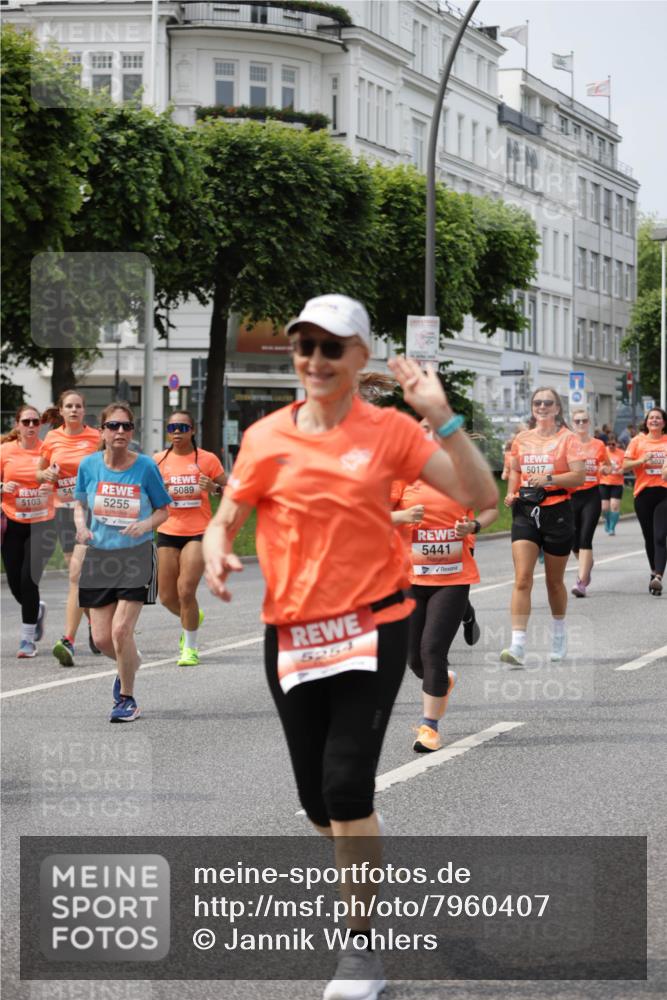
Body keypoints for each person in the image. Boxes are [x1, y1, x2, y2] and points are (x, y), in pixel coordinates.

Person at [203, 294, 498, 1000]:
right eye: (304, 347)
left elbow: (480, 494)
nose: (314, 361)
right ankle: (357, 824)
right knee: (317, 803)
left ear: (361, 358)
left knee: (342, 787)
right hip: (293, 632)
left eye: (331, 348)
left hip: (372, 625)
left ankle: (359, 950)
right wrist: (216, 549)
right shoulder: (268, 435)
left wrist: (439, 414)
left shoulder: (392, 431)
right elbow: (227, 516)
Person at [391, 420, 497, 753]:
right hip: (409, 577)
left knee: (433, 650)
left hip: (453, 577)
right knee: (413, 659)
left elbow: (492, 506)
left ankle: (429, 728)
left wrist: (474, 525)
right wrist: (402, 516)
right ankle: (443, 681)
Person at [74, 403, 171, 721]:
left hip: (136, 555)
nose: (120, 432)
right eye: (113, 426)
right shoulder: (88, 466)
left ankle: (126, 699)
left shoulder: (144, 467)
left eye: (126, 427)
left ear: (132, 431)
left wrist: (145, 525)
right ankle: (131, 659)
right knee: (101, 638)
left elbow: (163, 510)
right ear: (101, 430)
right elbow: (79, 504)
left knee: (120, 631)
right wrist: (81, 526)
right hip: (100, 556)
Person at [500, 387, 585, 666]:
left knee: (553, 581)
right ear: (533, 407)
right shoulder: (521, 439)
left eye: (548, 402)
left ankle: (559, 633)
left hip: (557, 511)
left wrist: (549, 478)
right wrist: (512, 491)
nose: (542, 406)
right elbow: (514, 469)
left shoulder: (568, 439)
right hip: (525, 511)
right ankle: (518, 645)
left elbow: (578, 477)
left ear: (557, 408)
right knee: (523, 577)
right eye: (538, 402)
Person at [154, 410, 226, 665]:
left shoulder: (207, 459)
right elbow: (146, 495)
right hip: (167, 531)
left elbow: (233, 490)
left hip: (198, 532)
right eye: (172, 427)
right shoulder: (158, 461)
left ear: (192, 431)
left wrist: (215, 488)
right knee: (167, 597)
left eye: (182, 428)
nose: (176, 432)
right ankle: (193, 617)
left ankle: (190, 647)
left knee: (186, 590)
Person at [37, 390, 101, 666]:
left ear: (84, 411)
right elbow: (39, 472)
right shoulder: (52, 438)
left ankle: (68, 640)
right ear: (61, 411)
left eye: (78, 406)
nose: (73, 410)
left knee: (77, 576)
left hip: (91, 511)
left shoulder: (97, 437)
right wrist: (47, 475)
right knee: (77, 578)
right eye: (69, 406)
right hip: (63, 512)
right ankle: (95, 624)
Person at [0, 405, 55, 657]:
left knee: (28, 578)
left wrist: (49, 489)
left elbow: (60, 483)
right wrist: (2, 487)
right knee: (14, 583)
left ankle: (27, 641)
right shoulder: (5, 451)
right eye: (26, 421)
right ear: (18, 423)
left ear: (40, 425)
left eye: (35, 422)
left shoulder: (48, 450)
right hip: (12, 523)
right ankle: (36, 610)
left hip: (42, 523)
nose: (31, 426)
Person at [623, 407, 667, 595]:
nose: (654, 421)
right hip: (643, 495)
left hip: (664, 494)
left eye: (658, 418)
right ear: (646, 422)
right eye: (651, 418)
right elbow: (624, 466)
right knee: (649, 537)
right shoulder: (637, 441)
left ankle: (658, 576)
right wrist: (641, 460)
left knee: (659, 536)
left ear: (664, 422)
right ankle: (653, 572)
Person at [569, 409, 611, 598]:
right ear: (572, 423)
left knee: (586, 537)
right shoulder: (567, 444)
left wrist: (604, 468)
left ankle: (581, 581)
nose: (580, 424)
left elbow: (607, 465)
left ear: (589, 422)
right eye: (577, 421)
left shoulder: (598, 444)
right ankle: (587, 564)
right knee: (574, 542)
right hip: (571, 496)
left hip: (592, 495)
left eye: (584, 421)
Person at [600, 432, 625, 535]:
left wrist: (623, 470)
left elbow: (626, 466)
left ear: (617, 444)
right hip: (604, 482)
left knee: (614, 506)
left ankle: (612, 528)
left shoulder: (621, 453)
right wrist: (602, 469)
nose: (611, 446)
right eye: (609, 444)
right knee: (604, 508)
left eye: (613, 444)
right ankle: (607, 520)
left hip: (617, 483)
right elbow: (598, 465)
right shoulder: (603, 452)